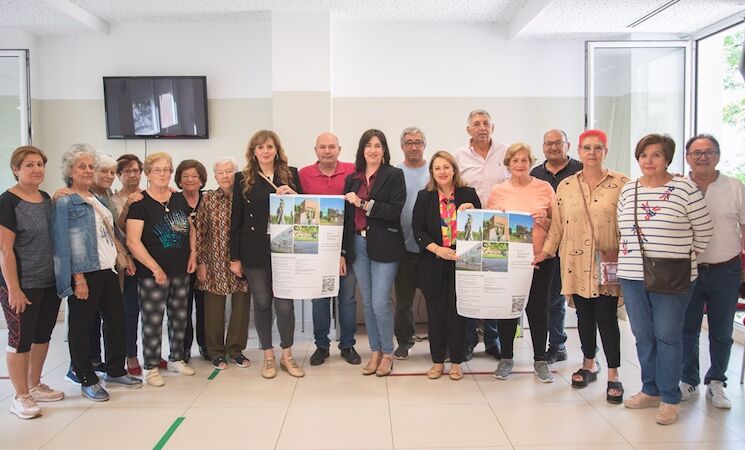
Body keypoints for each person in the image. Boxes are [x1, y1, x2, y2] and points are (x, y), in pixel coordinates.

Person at [617, 133, 712, 425]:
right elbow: (622, 228)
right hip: (632, 275)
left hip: (672, 275)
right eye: (644, 155)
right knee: (643, 335)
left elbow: (704, 231)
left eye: (656, 155)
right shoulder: (629, 190)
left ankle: (670, 397)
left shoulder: (684, 188)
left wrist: (679, 255)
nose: (649, 161)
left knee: (668, 336)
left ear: (667, 158)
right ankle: (651, 389)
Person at [535, 130, 628, 402]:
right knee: (584, 315)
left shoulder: (621, 183)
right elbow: (558, 226)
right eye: (587, 148)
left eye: (597, 148)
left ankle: (613, 373)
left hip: (606, 262)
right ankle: (589, 364)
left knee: (607, 317)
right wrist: (545, 252)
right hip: (575, 261)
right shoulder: (566, 186)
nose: (592, 153)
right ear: (579, 150)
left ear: (605, 151)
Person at [53, 144, 142, 401]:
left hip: (108, 269)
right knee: (81, 327)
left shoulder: (98, 198)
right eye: (81, 166)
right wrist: (78, 277)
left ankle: (114, 370)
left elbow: (110, 233)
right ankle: (87, 378)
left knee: (116, 321)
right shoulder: (65, 201)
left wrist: (123, 258)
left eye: (90, 166)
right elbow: (64, 242)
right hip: (85, 272)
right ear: (70, 170)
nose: (87, 170)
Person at [230, 130, 305, 379]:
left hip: (285, 249)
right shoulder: (242, 179)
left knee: (285, 305)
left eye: (269, 146)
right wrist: (234, 258)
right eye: (260, 147)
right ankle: (268, 356)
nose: (265, 151)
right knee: (262, 303)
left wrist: (295, 196)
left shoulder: (290, 174)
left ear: (276, 150)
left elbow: (304, 213)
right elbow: (236, 220)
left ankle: (287, 355)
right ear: (253, 151)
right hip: (253, 250)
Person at [681, 134, 745, 409]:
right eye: (697, 153)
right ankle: (688, 380)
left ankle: (717, 382)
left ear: (718, 156)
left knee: (721, 330)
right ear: (687, 157)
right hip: (687, 270)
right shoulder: (678, 187)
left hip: (725, 270)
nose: (703, 157)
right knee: (687, 328)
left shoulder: (735, 187)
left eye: (709, 152)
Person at [1, 146, 64, 419]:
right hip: (22, 284)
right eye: (29, 165)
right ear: (16, 169)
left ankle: (34, 384)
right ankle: (20, 396)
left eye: (40, 164)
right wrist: (13, 288)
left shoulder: (45, 198)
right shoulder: (7, 202)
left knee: (42, 335)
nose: (37, 169)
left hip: (48, 281)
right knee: (20, 340)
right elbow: (4, 251)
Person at [126, 152, 197, 387]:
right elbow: (133, 242)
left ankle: (176, 358)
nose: (163, 174)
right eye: (157, 170)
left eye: (167, 169)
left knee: (180, 316)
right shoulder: (140, 203)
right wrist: (155, 268)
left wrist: (193, 254)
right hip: (152, 274)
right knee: (152, 321)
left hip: (180, 269)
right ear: (147, 173)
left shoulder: (178, 198)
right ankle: (151, 366)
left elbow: (191, 228)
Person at [487, 143, 556, 382]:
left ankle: (540, 360)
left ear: (531, 163)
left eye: (524, 160)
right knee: (508, 310)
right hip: (508, 263)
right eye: (515, 160)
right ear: (508, 164)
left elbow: (558, 226)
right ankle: (506, 358)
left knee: (538, 310)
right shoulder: (498, 191)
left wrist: (545, 220)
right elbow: (489, 231)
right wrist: (495, 219)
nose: (520, 164)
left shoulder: (544, 188)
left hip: (540, 259)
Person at [342, 129, 406, 377]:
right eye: (368, 145)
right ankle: (375, 350)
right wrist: (343, 251)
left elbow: (394, 211)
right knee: (368, 302)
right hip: (358, 244)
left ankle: (388, 352)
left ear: (384, 150)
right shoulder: (353, 178)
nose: (373, 150)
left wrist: (363, 203)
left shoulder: (394, 175)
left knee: (380, 302)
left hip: (385, 245)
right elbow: (347, 219)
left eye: (378, 145)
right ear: (362, 149)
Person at [412, 150, 480, 380]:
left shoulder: (468, 194)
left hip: (462, 262)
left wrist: (473, 213)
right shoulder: (425, 197)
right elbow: (418, 230)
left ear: (454, 170)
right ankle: (438, 361)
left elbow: (479, 227)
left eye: (446, 167)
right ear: (432, 172)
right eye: (437, 168)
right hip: (434, 261)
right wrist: (438, 250)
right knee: (436, 314)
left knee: (459, 314)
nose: (442, 172)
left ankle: (457, 362)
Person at [299, 132, 360, 366]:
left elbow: (352, 214)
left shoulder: (352, 171)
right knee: (320, 300)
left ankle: (347, 345)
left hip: (347, 247)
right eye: (322, 147)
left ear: (339, 149)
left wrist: (342, 253)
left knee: (347, 299)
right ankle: (321, 346)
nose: (327, 151)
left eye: (331, 147)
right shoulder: (303, 174)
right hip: (316, 249)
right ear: (315, 150)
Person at [454, 109, 507, 361]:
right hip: (471, 231)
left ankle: (493, 340)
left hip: (499, 229)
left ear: (493, 127)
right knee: (472, 286)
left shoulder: (506, 153)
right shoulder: (458, 156)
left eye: (486, 123)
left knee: (494, 286)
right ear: (468, 130)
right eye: (476, 124)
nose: (482, 127)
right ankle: (468, 341)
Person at [529, 129, 583, 363]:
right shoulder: (536, 173)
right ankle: (557, 345)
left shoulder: (580, 170)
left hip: (574, 244)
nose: (553, 147)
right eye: (548, 143)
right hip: (546, 248)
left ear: (567, 145)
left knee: (578, 299)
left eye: (558, 143)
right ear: (543, 147)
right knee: (551, 299)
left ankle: (587, 351)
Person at [194, 157, 251, 370]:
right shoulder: (209, 199)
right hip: (213, 261)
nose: (225, 176)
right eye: (221, 172)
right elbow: (200, 231)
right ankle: (216, 352)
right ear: (215, 176)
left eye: (229, 171)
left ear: (237, 174)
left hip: (242, 260)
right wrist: (201, 262)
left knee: (241, 307)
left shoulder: (245, 197)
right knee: (213, 310)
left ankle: (236, 350)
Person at [393, 126, 430, 359]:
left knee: (435, 299)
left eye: (418, 142)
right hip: (403, 247)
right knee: (404, 300)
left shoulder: (435, 170)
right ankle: (404, 341)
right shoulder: (394, 173)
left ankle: (440, 342)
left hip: (430, 248)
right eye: (409, 143)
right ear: (402, 146)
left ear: (424, 145)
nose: (414, 147)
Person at [111, 154, 147, 375]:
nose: (132, 175)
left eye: (136, 170)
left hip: (149, 260)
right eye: (127, 171)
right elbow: (116, 229)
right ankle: (131, 355)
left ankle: (152, 353)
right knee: (130, 310)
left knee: (151, 311)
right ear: (119, 175)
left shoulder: (149, 195)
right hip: (127, 262)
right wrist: (128, 205)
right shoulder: (112, 199)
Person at [175, 159, 209, 362]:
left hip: (206, 261)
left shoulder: (208, 199)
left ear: (202, 180)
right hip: (182, 261)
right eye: (185, 176)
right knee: (183, 307)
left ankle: (205, 344)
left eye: (194, 176)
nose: (190, 180)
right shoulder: (173, 200)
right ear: (179, 180)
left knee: (205, 307)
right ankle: (184, 347)